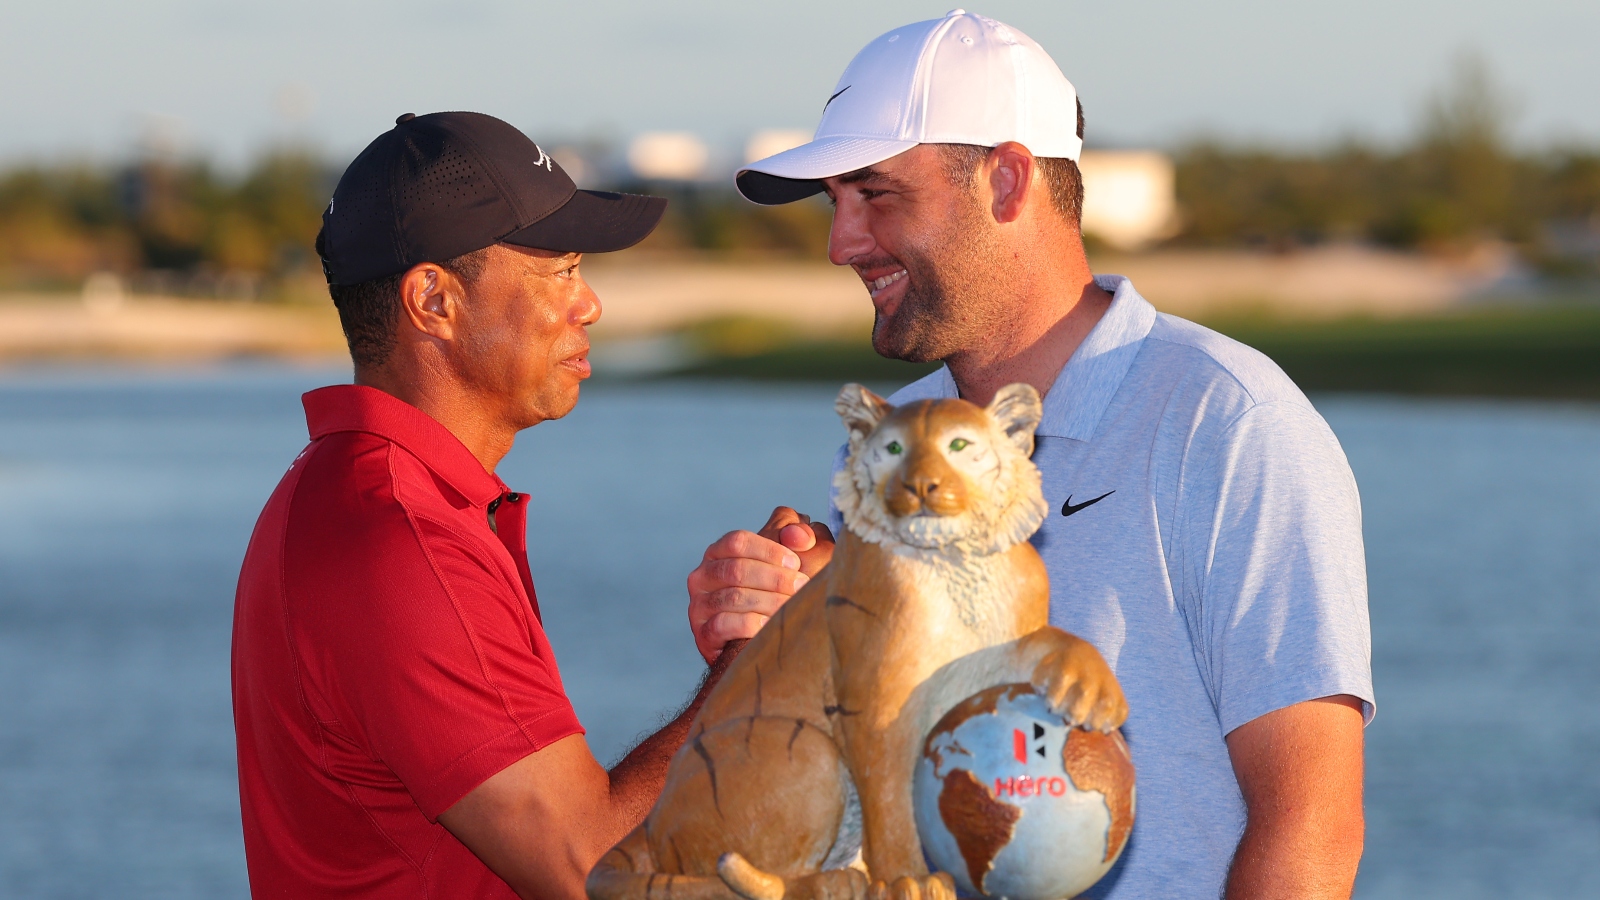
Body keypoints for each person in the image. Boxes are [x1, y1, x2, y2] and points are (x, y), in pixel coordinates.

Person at [687, 11, 1373, 900]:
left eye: (877, 194)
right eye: (835, 203)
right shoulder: (889, 438)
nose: (840, 244)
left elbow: (1313, 831)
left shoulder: (1226, 420)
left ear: (1009, 181)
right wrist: (768, 653)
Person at [230, 112, 774, 900]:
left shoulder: (354, 495)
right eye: (558, 270)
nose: (589, 305)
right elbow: (591, 866)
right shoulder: (399, 542)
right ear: (433, 300)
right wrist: (767, 657)